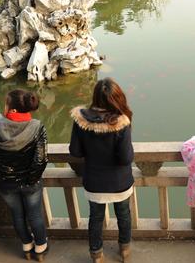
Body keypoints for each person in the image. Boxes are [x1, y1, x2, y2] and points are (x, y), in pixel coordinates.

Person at [69, 78, 134, 263]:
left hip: (94, 181)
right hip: (119, 183)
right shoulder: (121, 122)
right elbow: (125, 158)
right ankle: (125, 250)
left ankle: (96, 255)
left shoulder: (81, 120)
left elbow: (75, 151)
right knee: (123, 216)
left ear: (95, 96)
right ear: (117, 98)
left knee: (95, 218)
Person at [0, 90, 49, 261]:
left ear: (12, 109)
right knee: (35, 215)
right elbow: (41, 159)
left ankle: (27, 246)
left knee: (17, 215)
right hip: (30, 182)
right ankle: (41, 248)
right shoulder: (37, 126)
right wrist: (31, 179)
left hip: (6, 182)